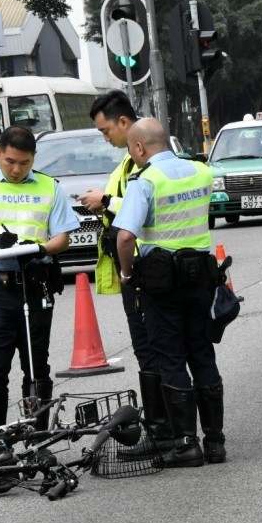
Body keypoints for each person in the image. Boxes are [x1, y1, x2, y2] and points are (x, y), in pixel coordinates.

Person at [0, 125, 79, 490]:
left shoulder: (49, 187)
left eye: (24, 163)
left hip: (35, 283)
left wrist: (43, 249)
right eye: (10, 161)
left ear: (33, 159)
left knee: (37, 367)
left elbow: (63, 237)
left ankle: (37, 444)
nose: (17, 169)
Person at [113, 118, 224, 468]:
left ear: (139, 148)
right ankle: (215, 442)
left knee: (171, 358)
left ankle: (185, 444)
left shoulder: (145, 181)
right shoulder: (200, 172)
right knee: (202, 354)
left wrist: (127, 273)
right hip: (201, 278)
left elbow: (126, 237)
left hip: (162, 284)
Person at [73, 92, 174, 455]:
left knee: (154, 351)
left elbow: (141, 212)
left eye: (105, 130)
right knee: (154, 351)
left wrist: (106, 202)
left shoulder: (150, 162)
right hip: (145, 271)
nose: (105, 138)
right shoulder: (126, 166)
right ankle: (171, 432)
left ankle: (165, 435)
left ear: (123, 123)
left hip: (148, 271)